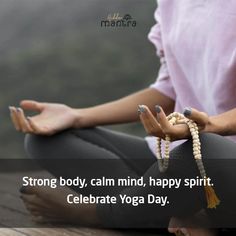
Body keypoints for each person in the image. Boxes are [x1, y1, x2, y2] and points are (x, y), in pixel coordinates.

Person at [9, 0, 236, 235]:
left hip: (218, 160)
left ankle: (100, 212)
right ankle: (181, 211)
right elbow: (170, 87)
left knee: (206, 151)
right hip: (179, 156)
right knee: (48, 139)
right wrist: (76, 116)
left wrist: (212, 125)